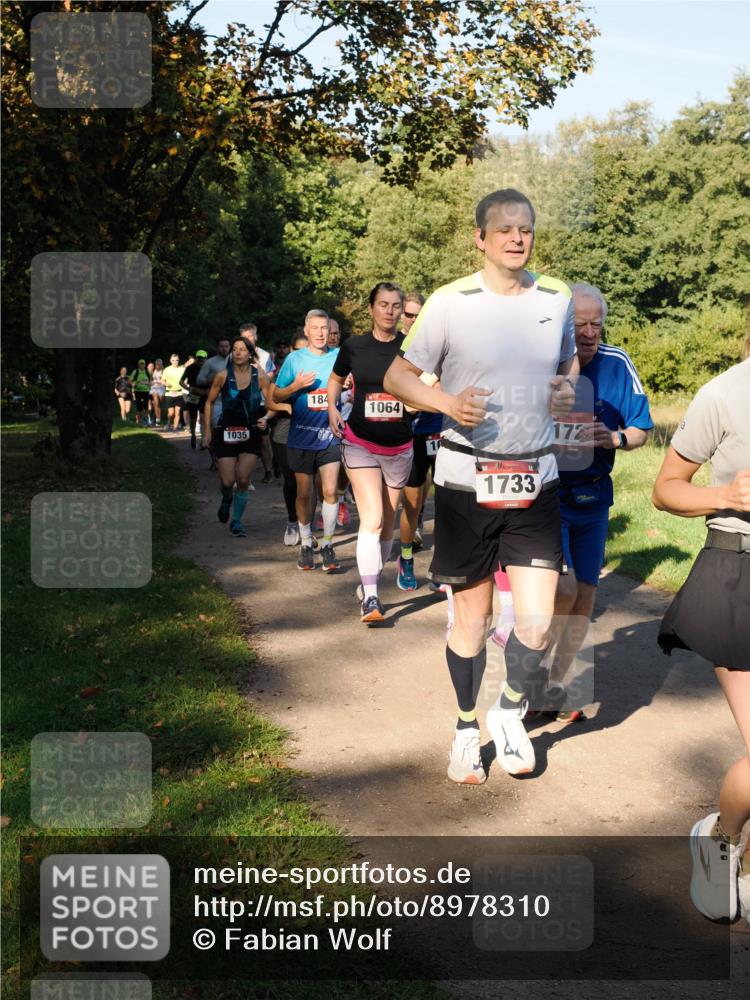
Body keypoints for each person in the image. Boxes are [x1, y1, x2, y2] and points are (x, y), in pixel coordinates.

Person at [384, 188, 578, 783]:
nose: (517, 239)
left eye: (527, 230)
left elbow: (567, 361)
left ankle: (510, 712)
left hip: (536, 476)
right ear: (481, 239)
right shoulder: (450, 302)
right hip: (468, 478)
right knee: (471, 620)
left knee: (539, 620)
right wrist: (444, 402)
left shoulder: (558, 296)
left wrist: (566, 388)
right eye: (505, 230)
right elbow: (397, 374)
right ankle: (466, 729)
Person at [652, 355, 750, 924]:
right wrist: (726, 497)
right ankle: (719, 837)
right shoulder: (725, 393)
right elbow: (666, 490)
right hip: (737, 579)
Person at [541, 283, 653, 721]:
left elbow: (642, 428)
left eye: (596, 323)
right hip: (547, 495)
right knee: (561, 590)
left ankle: (556, 685)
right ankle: (527, 673)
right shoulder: (546, 361)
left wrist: (617, 437)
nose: (588, 332)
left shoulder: (617, 363)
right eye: (579, 323)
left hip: (593, 497)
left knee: (585, 593)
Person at [328, 283, 413, 622]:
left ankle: (370, 583)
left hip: (399, 444)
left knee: (389, 522)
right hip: (360, 440)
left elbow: (430, 383)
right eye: (383, 304)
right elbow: (336, 379)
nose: (390, 311)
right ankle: (372, 599)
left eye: (396, 306)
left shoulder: (411, 348)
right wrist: (332, 408)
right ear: (371, 309)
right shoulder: (354, 346)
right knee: (373, 517)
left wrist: (417, 403)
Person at [274, 311, 342, 572]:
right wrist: (295, 387)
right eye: (315, 328)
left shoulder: (339, 358)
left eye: (324, 327)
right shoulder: (294, 359)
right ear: (306, 330)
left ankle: (326, 544)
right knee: (304, 493)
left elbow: (350, 385)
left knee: (329, 491)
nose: (321, 333)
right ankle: (305, 543)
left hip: (330, 435)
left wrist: (346, 386)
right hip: (301, 435)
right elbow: (277, 394)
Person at [204, 336, 280, 537]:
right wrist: (207, 431)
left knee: (244, 479)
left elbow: (271, 403)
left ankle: (236, 521)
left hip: (251, 432)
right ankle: (226, 497)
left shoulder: (260, 376)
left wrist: (267, 416)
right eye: (235, 349)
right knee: (228, 481)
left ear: (250, 354)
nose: (238, 352)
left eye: (242, 349)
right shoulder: (222, 375)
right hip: (226, 431)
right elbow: (209, 402)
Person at [272, 332, 308, 546]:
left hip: (311, 430)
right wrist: (286, 405)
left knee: (308, 483)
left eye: (306, 349)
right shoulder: (284, 370)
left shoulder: (320, 369)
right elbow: (271, 400)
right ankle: (292, 521)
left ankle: (307, 526)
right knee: (291, 481)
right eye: (298, 349)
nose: (302, 354)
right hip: (286, 430)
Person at [239, 322, 276, 484]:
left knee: (264, 439)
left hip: (261, 403)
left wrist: (258, 369)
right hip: (241, 404)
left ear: (256, 337)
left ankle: (268, 470)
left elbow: (271, 377)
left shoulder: (265, 355)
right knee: (242, 439)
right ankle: (244, 475)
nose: (247, 339)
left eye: (250, 336)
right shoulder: (235, 354)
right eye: (244, 337)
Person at [197, 336, 232, 467]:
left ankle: (228, 458)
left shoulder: (235, 360)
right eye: (221, 346)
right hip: (216, 400)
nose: (224, 349)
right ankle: (215, 459)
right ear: (217, 347)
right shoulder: (210, 362)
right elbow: (199, 380)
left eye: (226, 346)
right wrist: (212, 380)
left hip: (232, 401)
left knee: (230, 429)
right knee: (215, 430)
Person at [181, 349, 209, 448]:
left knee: (203, 417)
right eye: (199, 358)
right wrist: (188, 388)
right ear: (196, 358)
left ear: (206, 359)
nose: (200, 360)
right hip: (193, 396)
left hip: (204, 395)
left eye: (202, 358)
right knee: (193, 418)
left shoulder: (209, 368)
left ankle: (203, 439)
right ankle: (193, 435)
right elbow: (181, 381)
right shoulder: (190, 368)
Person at [162, 354, 185, 432]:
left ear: (179, 360)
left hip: (179, 393)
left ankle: (175, 428)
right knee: (171, 413)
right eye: (173, 360)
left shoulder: (181, 369)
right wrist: (166, 384)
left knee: (177, 412)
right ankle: (169, 423)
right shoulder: (167, 369)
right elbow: (162, 380)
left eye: (177, 360)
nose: (175, 362)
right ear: (170, 361)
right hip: (169, 393)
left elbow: (188, 365)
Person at [130, 359, 151, 426]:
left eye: (143, 364)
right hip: (137, 391)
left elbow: (151, 381)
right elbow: (130, 381)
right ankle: (139, 421)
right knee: (139, 407)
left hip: (146, 391)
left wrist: (148, 383)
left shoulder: (147, 372)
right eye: (141, 364)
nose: (142, 365)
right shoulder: (135, 371)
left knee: (146, 406)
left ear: (145, 365)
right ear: (138, 364)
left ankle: (146, 420)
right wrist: (134, 384)